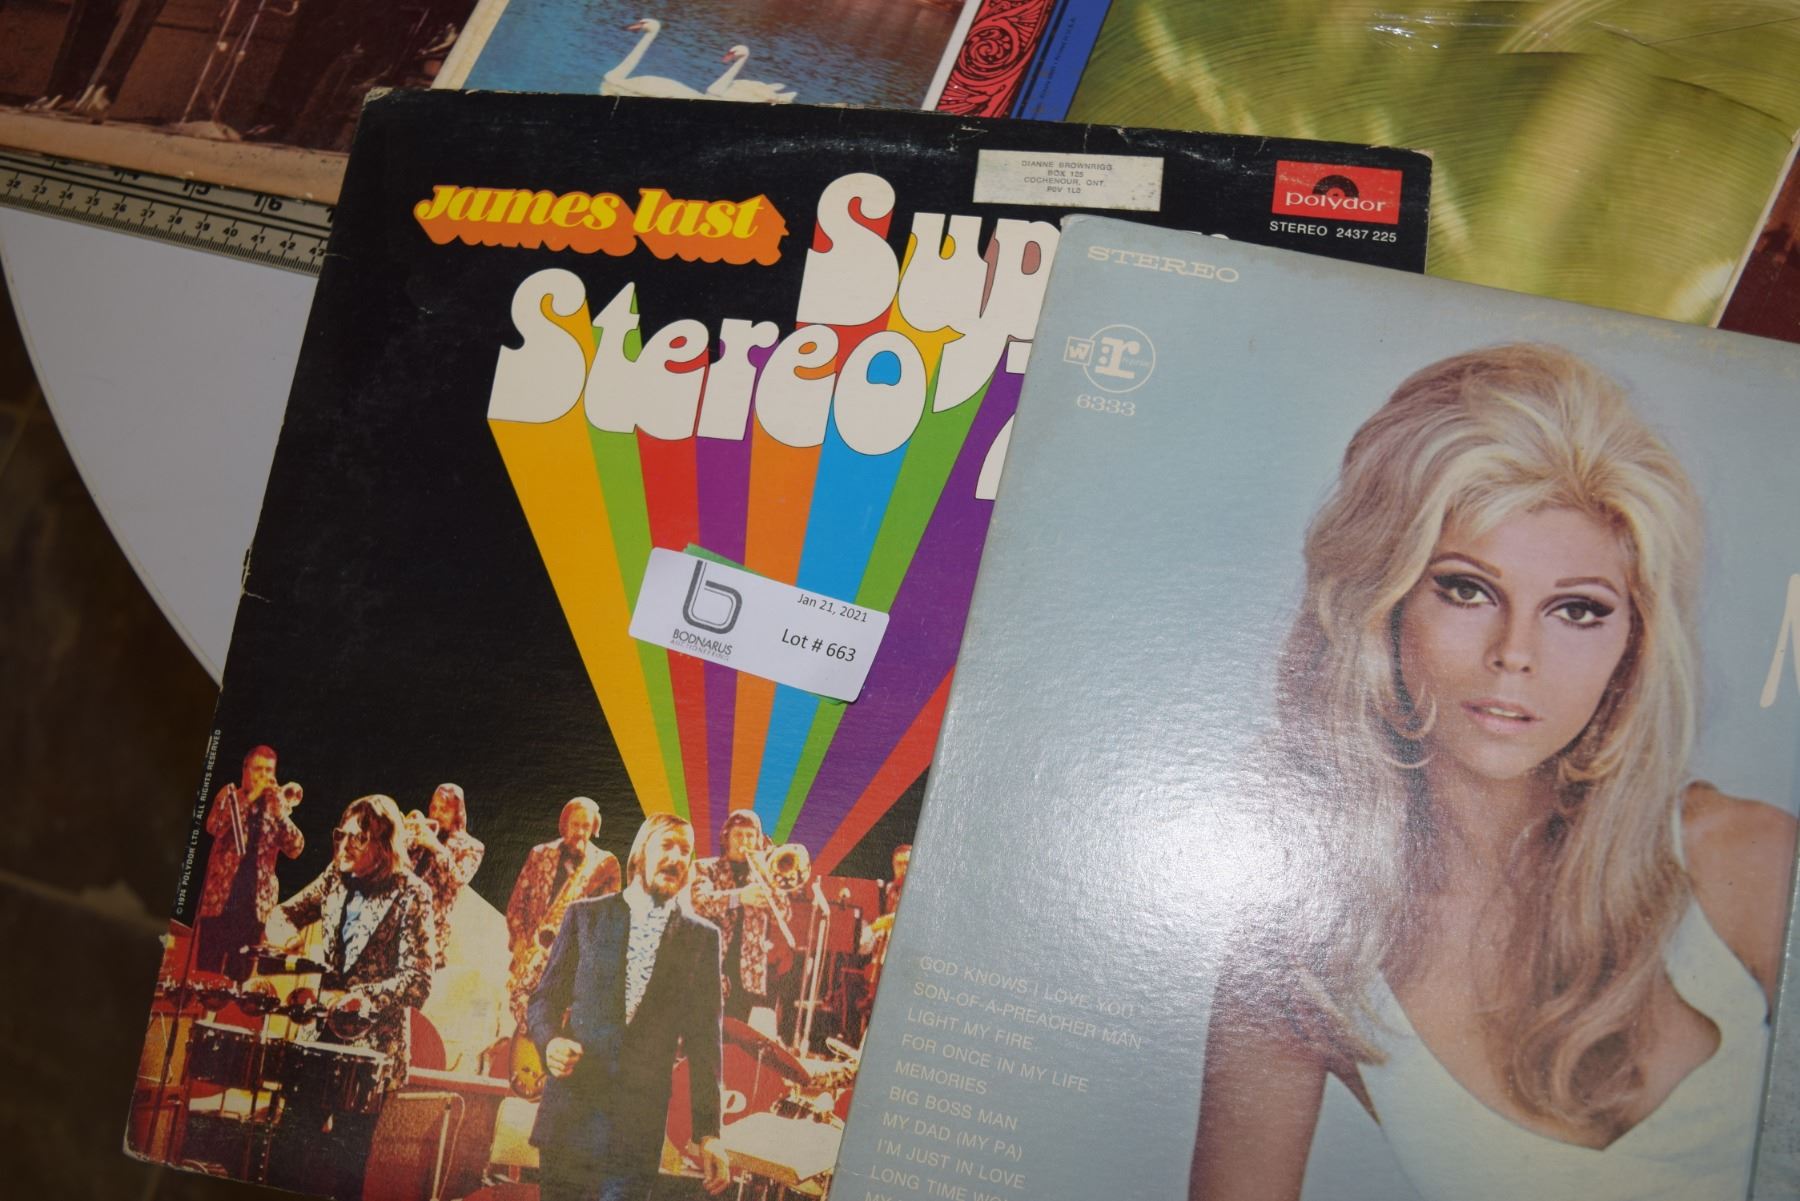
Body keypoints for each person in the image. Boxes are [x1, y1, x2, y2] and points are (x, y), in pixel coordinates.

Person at [1189, 344, 1798, 1201]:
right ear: (1383, 603)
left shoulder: (1749, 863)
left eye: (1577, 609)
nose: (1516, 654)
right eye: (1467, 590)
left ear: (1633, 644)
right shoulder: (1305, 945)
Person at [527, 813, 732, 1201]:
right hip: (570, 1121)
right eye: (667, 845)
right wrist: (550, 1042)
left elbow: (706, 1044)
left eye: (685, 851)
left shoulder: (703, 940)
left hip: (634, 1136)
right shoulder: (585, 916)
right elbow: (544, 1001)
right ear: (640, 853)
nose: (677, 857)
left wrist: (709, 1134)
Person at [262, 794, 437, 1199]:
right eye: (340, 835)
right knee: (287, 1152)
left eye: (357, 838)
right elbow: (285, 913)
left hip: (370, 1050)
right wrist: (281, 933)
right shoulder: (334, 877)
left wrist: (359, 998)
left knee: (345, 1170)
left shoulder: (412, 893)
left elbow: (418, 980)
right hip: (317, 1037)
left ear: (384, 844)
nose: (343, 846)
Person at [505, 796, 621, 1026]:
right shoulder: (539, 853)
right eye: (575, 825)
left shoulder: (605, 865)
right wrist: (520, 944)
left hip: (568, 965)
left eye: (586, 826)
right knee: (518, 1022)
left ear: (594, 829)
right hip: (529, 954)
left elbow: (606, 922)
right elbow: (516, 905)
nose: (580, 832)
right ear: (564, 824)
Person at [195, 744, 304, 975]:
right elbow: (214, 826)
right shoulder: (229, 796)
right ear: (245, 770)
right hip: (220, 899)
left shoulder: (275, 808)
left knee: (241, 974)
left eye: (269, 771)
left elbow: (296, 849)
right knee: (207, 972)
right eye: (258, 769)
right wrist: (251, 797)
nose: (264, 776)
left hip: (255, 905)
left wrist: (280, 813)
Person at [690, 809, 794, 1021]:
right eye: (738, 835)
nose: (744, 841)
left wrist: (768, 876)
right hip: (710, 968)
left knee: (736, 1035)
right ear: (726, 838)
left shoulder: (763, 876)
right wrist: (739, 897)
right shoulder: (706, 868)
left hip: (747, 976)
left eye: (750, 836)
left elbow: (783, 914)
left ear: (758, 840)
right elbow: (699, 902)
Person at [405, 782, 485, 966]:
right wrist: (403, 837)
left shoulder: (472, 847)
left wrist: (434, 846)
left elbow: (458, 880)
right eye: (434, 807)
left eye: (444, 810)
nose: (436, 814)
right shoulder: (424, 830)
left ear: (457, 813)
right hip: (397, 920)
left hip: (429, 932)